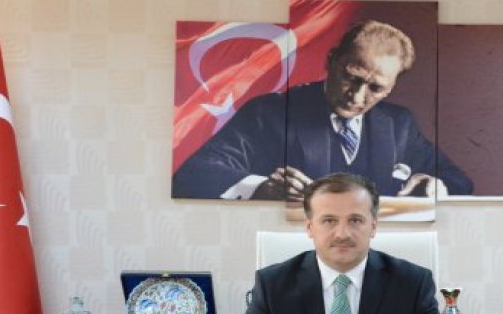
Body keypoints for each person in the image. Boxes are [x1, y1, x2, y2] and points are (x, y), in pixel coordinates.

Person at [218, 173, 455, 314]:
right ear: (309, 227)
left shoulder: (412, 283)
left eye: (355, 220)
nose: (342, 234)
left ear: (373, 226)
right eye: (329, 220)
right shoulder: (273, 284)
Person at [173, 20, 473, 201]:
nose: (357, 96)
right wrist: (262, 188)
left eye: (375, 88)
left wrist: (436, 186)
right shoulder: (269, 112)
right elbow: (193, 174)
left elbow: (460, 182)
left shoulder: (399, 123)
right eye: (351, 77)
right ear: (330, 61)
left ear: (391, 88)